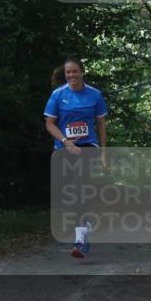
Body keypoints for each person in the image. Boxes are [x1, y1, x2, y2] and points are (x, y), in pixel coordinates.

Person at [44, 58, 107, 258]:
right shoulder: (58, 95)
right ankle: (86, 222)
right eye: (68, 73)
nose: (71, 76)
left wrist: (104, 152)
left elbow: (101, 124)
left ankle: (80, 240)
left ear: (82, 72)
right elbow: (50, 124)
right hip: (65, 147)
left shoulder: (95, 95)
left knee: (80, 187)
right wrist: (66, 142)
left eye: (75, 72)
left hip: (88, 146)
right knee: (69, 193)